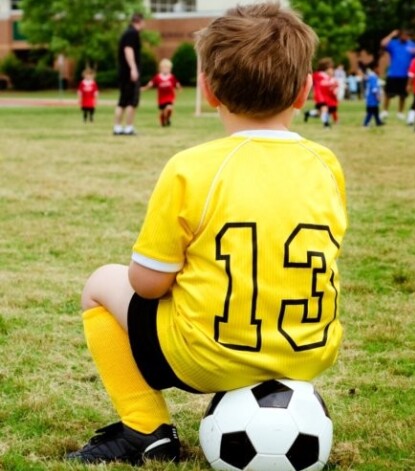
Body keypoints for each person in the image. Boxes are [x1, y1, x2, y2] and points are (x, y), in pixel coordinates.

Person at [66, 3, 347, 465]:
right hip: (307, 353)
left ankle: (144, 428)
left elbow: (148, 285)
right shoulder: (326, 165)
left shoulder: (192, 168)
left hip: (207, 358)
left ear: (209, 90)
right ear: (305, 91)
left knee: (101, 283)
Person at [114, 12, 145, 136]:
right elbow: (128, 50)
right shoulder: (133, 33)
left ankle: (117, 127)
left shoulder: (127, 33)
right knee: (132, 101)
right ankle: (128, 127)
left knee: (122, 101)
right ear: (139, 21)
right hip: (129, 74)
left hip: (123, 73)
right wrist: (133, 68)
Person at [380, 29, 415, 120]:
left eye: (406, 35)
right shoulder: (393, 43)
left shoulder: (412, 45)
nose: (405, 37)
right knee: (388, 94)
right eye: (403, 35)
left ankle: (400, 112)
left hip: (405, 74)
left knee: (403, 95)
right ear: (399, 36)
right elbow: (382, 43)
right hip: (393, 73)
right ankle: (385, 111)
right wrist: (391, 34)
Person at [141, 59, 181, 127]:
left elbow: (177, 84)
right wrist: (144, 88)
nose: (166, 69)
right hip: (161, 98)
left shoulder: (171, 77)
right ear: (161, 68)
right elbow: (151, 84)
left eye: (168, 68)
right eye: (164, 68)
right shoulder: (158, 77)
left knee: (169, 108)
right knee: (162, 112)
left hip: (169, 97)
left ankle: (168, 118)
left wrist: (178, 88)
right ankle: (163, 121)